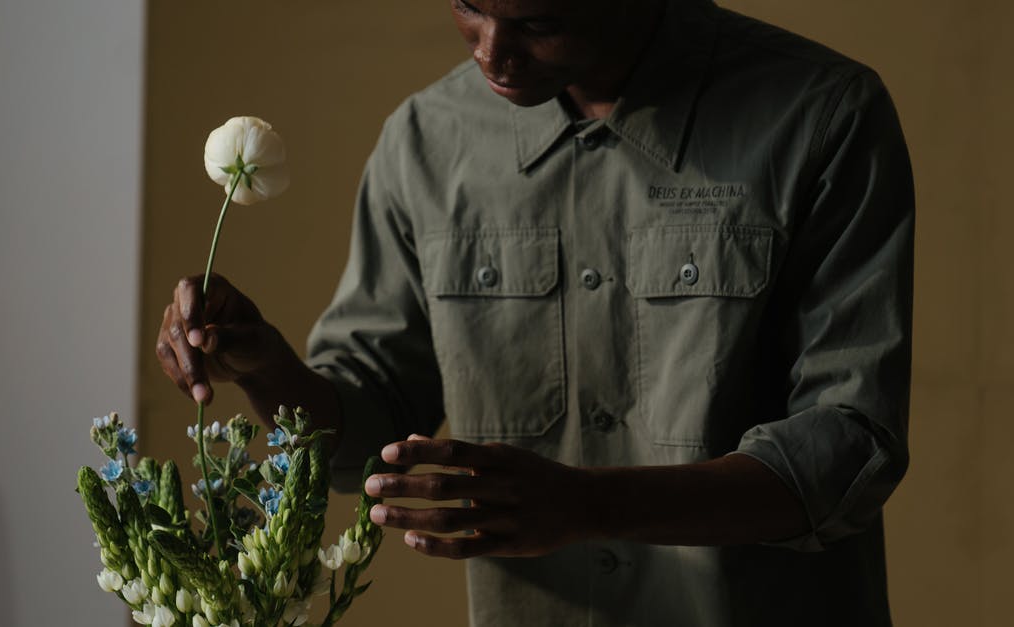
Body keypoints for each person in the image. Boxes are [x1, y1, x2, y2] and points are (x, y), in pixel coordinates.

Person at [156, 0, 914, 624]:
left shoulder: (822, 117)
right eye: (468, 8)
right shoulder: (425, 143)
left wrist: (590, 504)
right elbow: (368, 442)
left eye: (538, 21)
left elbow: (847, 446)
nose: (492, 52)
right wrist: (265, 366)